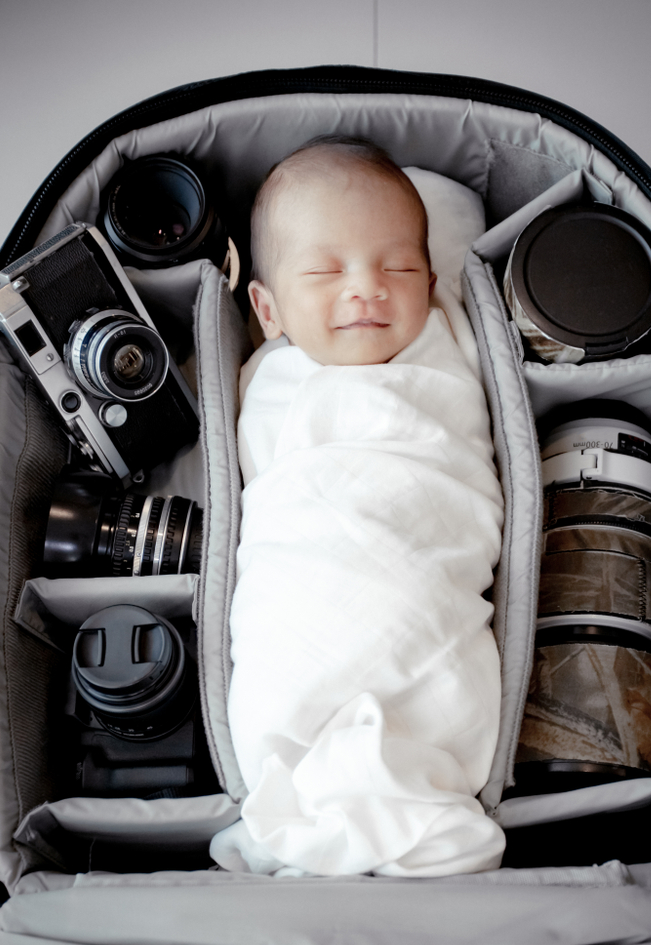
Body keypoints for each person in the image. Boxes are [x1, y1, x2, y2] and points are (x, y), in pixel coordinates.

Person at [210, 136, 506, 877]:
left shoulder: (445, 343)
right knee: (284, 696)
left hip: (425, 592)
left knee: (440, 689)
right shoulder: (267, 377)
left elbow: (449, 212)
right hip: (304, 606)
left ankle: (388, 806)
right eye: (325, 270)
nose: (367, 289)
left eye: (398, 267)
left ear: (429, 278)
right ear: (268, 309)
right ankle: (320, 805)